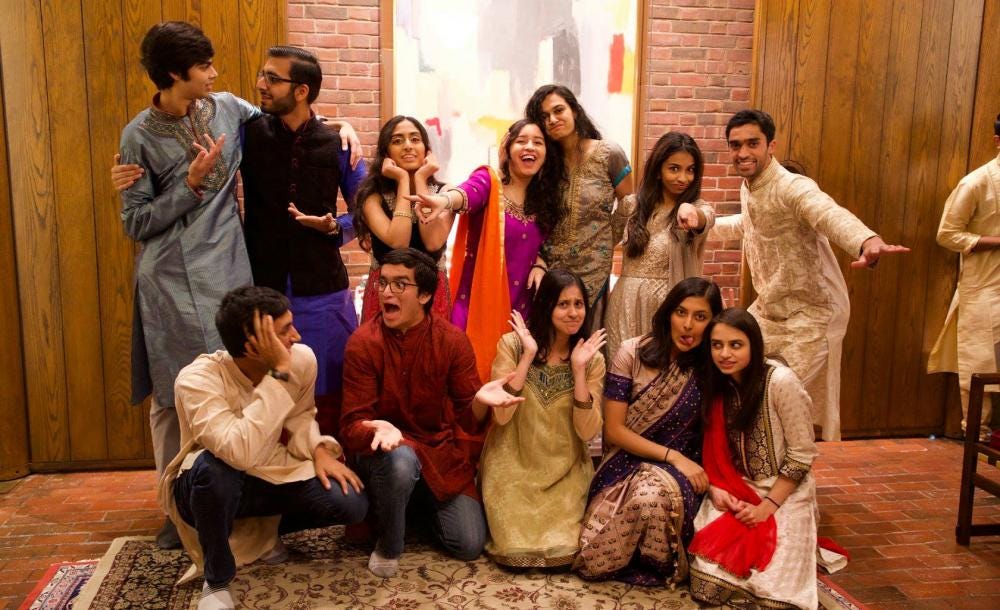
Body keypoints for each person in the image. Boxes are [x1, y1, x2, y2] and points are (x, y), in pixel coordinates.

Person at [113, 45, 364, 440]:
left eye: (272, 79)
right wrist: (129, 173)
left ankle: (325, 483)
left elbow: (362, 214)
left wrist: (335, 227)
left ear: (300, 91)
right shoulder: (249, 133)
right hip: (256, 283)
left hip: (321, 290)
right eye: (263, 75)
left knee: (327, 388)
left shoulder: (338, 145)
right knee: (257, 390)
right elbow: (149, 196)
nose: (260, 85)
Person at [118, 21, 260, 549]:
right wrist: (190, 184)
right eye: (204, 67)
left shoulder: (226, 107)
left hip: (227, 272)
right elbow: (134, 223)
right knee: (174, 395)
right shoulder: (138, 135)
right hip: (170, 283)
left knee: (237, 385)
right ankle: (174, 506)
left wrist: (341, 130)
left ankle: (238, 502)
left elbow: (281, 125)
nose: (214, 74)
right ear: (176, 74)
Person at [159, 286, 368, 610]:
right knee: (214, 474)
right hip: (209, 481)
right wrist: (279, 374)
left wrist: (319, 450)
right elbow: (237, 451)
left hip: (267, 471)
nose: (296, 336)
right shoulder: (196, 380)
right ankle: (217, 581)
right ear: (254, 345)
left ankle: (264, 534)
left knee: (350, 503)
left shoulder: (300, 359)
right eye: (285, 331)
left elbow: (300, 417)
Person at [710, 109, 909, 440]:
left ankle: (790, 474)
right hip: (772, 309)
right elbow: (746, 225)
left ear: (771, 145)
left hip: (815, 311)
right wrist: (700, 226)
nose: (743, 153)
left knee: (780, 397)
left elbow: (828, 213)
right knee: (737, 375)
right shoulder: (751, 186)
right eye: (735, 145)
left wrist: (866, 240)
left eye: (752, 143)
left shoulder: (791, 186)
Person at [338, 248, 524, 578]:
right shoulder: (363, 342)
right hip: (383, 455)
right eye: (383, 283)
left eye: (399, 285)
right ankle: (389, 543)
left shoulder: (452, 341)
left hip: (438, 453)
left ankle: (410, 506)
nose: (386, 293)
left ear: (424, 295)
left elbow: (468, 418)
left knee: (468, 544)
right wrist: (376, 429)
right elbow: (350, 427)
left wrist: (481, 400)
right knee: (401, 461)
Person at [688, 308, 847, 610]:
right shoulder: (716, 385)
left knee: (775, 593)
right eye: (717, 345)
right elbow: (712, 453)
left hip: (785, 492)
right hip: (736, 488)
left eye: (736, 345)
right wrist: (715, 489)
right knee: (707, 584)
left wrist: (767, 507)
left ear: (754, 345)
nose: (725, 354)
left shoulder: (780, 382)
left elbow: (802, 455)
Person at [575, 277, 722, 585]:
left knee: (649, 500)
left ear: (712, 324)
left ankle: (655, 563)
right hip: (624, 461)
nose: (688, 325)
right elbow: (613, 431)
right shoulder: (632, 352)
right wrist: (672, 456)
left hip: (684, 471)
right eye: (681, 312)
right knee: (592, 554)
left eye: (700, 317)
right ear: (668, 312)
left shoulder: (712, 366)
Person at [409, 119, 563, 381]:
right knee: (468, 383)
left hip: (521, 312)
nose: (530, 147)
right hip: (474, 308)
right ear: (507, 149)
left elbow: (545, 246)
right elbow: (467, 194)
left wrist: (541, 263)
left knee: (510, 387)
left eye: (538, 142)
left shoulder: (546, 201)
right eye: (521, 140)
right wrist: (444, 200)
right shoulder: (490, 182)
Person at [480, 270, 606, 569]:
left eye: (579, 304)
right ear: (546, 305)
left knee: (564, 551)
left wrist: (578, 372)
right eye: (563, 304)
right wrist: (527, 356)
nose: (573, 313)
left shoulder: (591, 359)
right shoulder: (511, 345)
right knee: (514, 550)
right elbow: (501, 414)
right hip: (512, 466)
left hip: (566, 471)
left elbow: (587, 432)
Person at [524, 84, 634, 330]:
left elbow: (629, 206)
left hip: (594, 270)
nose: (552, 119)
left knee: (589, 346)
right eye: (544, 117)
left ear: (574, 110)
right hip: (549, 273)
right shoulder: (544, 166)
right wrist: (541, 260)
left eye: (558, 110)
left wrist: (603, 243)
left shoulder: (609, 154)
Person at [605, 131, 716, 358]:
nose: (683, 178)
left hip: (667, 307)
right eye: (674, 168)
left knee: (661, 375)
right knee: (621, 373)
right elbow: (602, 245)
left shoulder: (697, 208)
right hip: (625, 304)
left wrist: (692, 213)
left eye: (690, 170)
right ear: (658, 170)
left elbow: (706, 217)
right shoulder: (631, 206)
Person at [928, 113, 1000, 441]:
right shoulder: (977, 182)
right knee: (980, 363)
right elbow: (947, 234)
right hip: (985, 286)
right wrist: (995, 243)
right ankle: (977, 437)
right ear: (998, 140)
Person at [353, 116, 454, 322]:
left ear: (427, 149)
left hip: (431, 294)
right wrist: (402, 180)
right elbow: (398, 243)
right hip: (386, 294)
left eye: (415, 139)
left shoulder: (446, 193)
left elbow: (433, 241)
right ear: (386, 153)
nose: (408, 146)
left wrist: (420, 178)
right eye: (397, 141)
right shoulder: (372, 196)